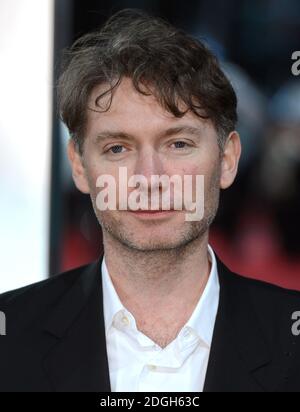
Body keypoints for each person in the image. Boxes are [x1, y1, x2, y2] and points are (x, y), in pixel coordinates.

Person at [0, 9, 299, 392]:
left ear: (227, 160)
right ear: (78, 165)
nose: (149, 177)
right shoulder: (9, 336)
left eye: (178, 144)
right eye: (118, 148)